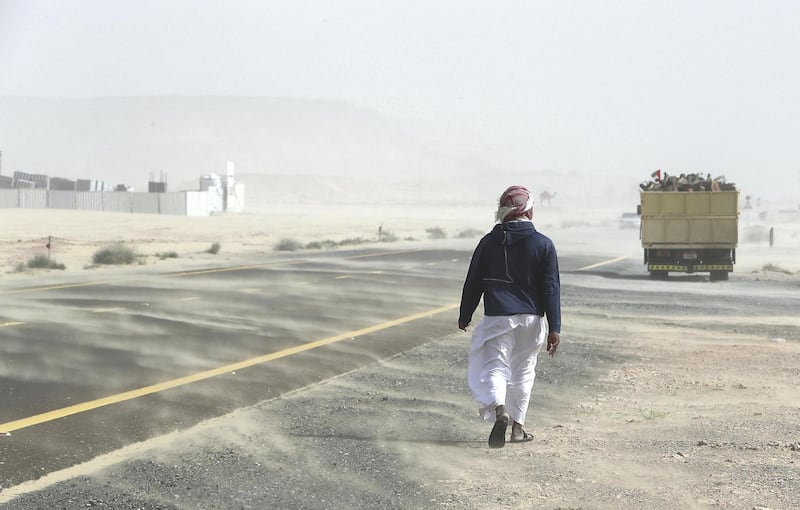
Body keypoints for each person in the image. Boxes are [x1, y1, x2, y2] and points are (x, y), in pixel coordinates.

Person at [458, 185, 561, 448]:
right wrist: (554, 328)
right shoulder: (543, 244)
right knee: (524, 372)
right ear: (529, 211)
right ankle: (517, 429)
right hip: (532, 320)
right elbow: (551, 288)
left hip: (498, 318)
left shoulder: (488, 243)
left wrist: (465, 314)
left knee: (495, 367)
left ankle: (500, 409)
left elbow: (473, 283)